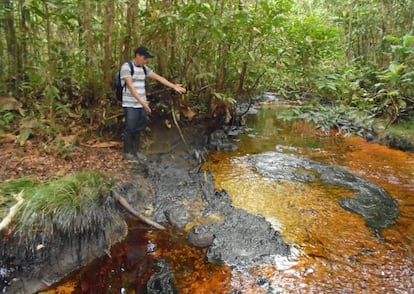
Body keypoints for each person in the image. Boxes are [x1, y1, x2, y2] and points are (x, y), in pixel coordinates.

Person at [121, 46, 186, 161]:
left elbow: (159, 78)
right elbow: (130, 86)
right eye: (144, 58)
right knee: (130, 127)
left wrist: (173, 86)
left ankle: (136, 151)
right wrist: (142, 101)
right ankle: (127, 152)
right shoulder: (127, 67)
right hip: (130, 104)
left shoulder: (144, 68)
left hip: (142, 104)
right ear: (138, 56)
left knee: (139, 127)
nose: (146, 61)